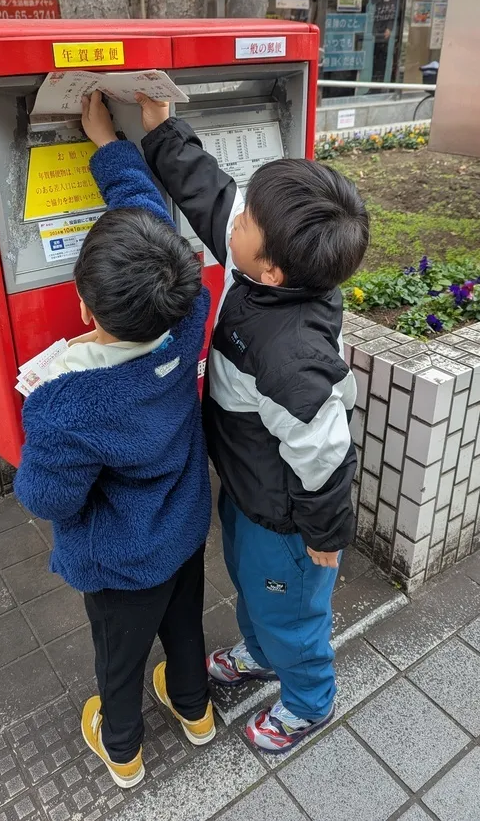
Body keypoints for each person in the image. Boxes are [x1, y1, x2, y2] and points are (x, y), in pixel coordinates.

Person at [137, 93, 369, 753]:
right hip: (248, 491)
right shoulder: (269, 267)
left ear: (268, 268)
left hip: (289, 524)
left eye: (247, 224)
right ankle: (262, 652)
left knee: (292, 610)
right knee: (252, 587)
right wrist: (161, 130)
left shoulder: (294, 361)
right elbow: (214, 199)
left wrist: (326, 536)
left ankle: (308, 700)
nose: (232, 222)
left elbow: (326, 456)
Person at [14, 92, 215, 789]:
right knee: (185, 629)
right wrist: (112, 146)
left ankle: (122, 748)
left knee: (119, 660)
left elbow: (45, 496)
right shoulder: (191, 313)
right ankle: (195, 712)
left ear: (82, 304)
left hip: (122, 561)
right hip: (184, 529)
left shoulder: (65, 404)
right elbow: (148, 217)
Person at [370, 0, 399, 82]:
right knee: (375, 55)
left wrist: (389, 27)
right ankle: (373, 85)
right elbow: (374, 0)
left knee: (383, 55)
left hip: (386, 24)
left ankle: (379, 85)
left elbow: (393, 5)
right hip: (378, 23)